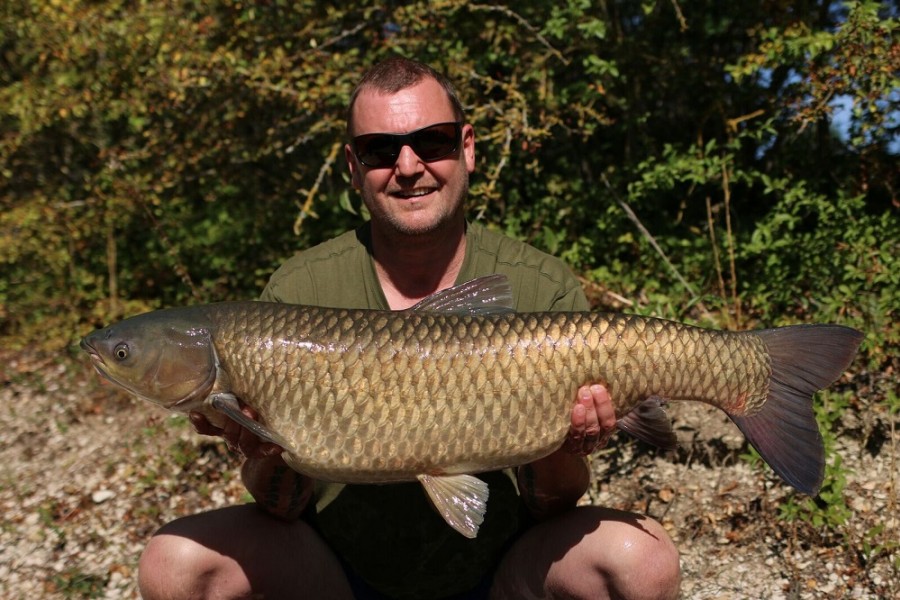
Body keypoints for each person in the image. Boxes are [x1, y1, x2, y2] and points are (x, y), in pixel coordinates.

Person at [138, 57, 680, 600]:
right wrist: (257, 447)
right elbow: (281, 507)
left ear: (467, 147)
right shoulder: (299, 291)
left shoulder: (540, 286)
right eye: (379, 150)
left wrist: (564, 443)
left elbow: (554, 506)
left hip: (504, 573)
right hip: (338, 575)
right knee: (174, 565)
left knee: (642, 561)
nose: (408, 165)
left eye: (433, 141)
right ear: (353, 166)